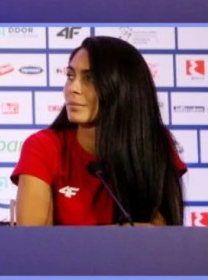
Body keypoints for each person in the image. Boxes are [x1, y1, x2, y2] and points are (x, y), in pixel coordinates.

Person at [11, 36, 185, 226]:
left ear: (123, 87)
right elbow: (32, 237)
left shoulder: (155, 143)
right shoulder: (43, 146)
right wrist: (120, 234)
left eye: (90, 79)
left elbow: (162, 233)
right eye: (70, 76)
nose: (73, 88)